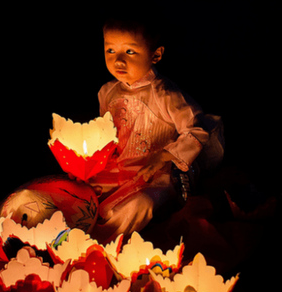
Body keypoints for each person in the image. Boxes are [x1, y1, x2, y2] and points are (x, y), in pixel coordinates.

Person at [88, 12, 213, 244]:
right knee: (79, 190)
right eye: (110, 50)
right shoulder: (107, 92)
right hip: (118, 170)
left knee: (140, 205)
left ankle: (97, 245)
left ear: (156, 54)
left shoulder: (165, 94)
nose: (119, 61)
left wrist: (164, 156)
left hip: (156, 176)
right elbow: (104, 135)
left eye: (130, 51)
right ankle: (63, 234)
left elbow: (198, 129)